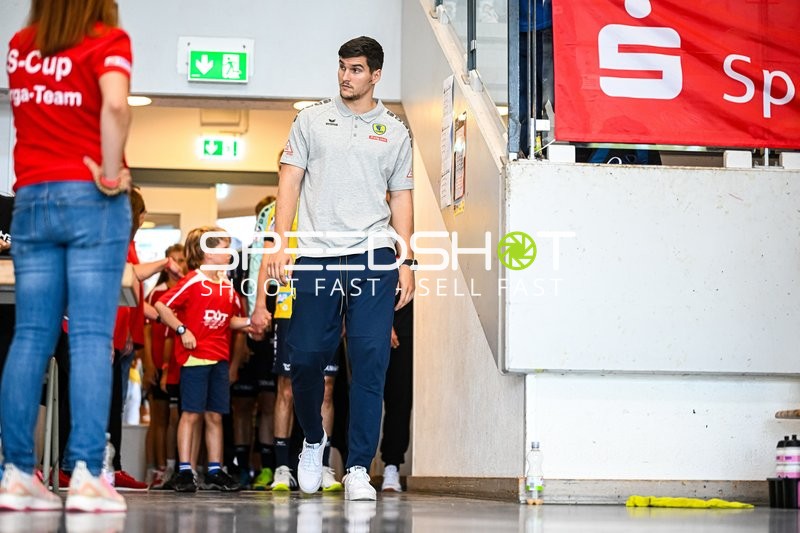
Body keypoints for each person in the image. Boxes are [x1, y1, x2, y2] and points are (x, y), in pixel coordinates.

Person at [254, 36, 415, 501]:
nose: (346, 76)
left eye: (356, 69)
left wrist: (406, 259)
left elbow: (401, 197)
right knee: (304, 358)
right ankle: (312, 438)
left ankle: (359, 468)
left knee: (370, 362)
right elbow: (289, 181)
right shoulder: (310, 120)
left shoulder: (395, 131)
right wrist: (278, 242)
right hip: (316, 255)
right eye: (343, 67)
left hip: (374, 256)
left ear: (376, 75)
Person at [0, 0, 132, 513]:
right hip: (91, 196)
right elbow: (115, 105)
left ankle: (16, 473)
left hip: (31, 198)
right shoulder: (107, 40)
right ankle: (86, 475)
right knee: (92, 337)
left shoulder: (20, 46)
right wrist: (109, 172)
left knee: (31, 335)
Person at [155, 227, 252, 493]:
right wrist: (182, 330)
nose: (229, 252)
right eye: (224, 247)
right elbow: (162, 306)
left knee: (215, 416)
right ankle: (185, 470)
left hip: (220, 358)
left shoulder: (226, 285)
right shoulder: (193, 281)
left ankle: (215, 470)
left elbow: (229, 320)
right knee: (191, 414)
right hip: (195, 358)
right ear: (207, 253)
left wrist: (250, 322)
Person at [380, 299, 413, 492]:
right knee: (362, 396)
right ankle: (356, 465)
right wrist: (382, 323)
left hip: (404, 325)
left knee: (399, 398)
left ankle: (391, 466)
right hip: (367, 321)